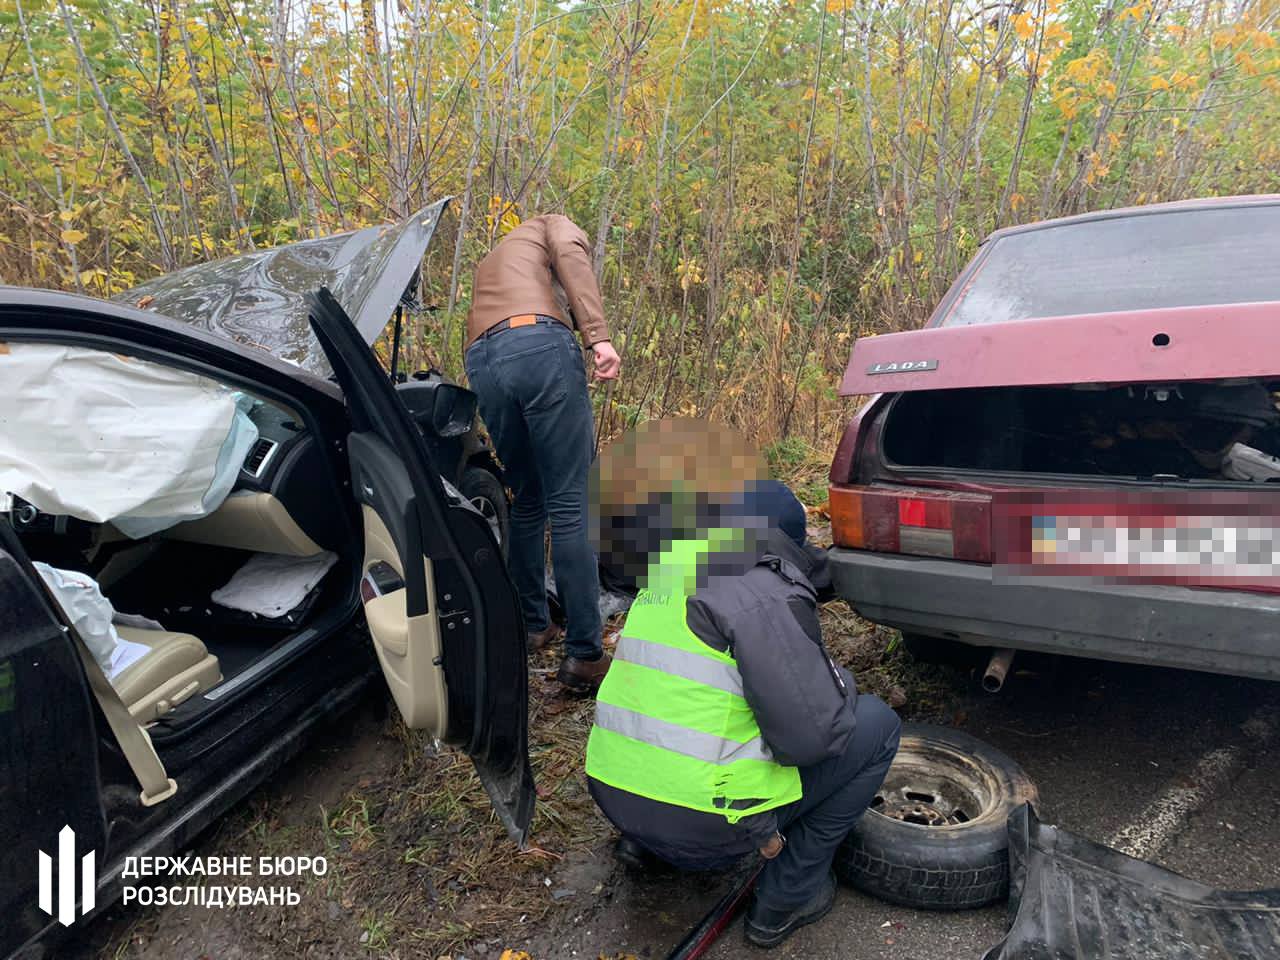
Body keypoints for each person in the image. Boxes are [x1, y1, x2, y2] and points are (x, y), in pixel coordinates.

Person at [584, 494, 901, 949]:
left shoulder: (671, 570)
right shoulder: (763, 592)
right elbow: (813, 739)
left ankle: (646, 848)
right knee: (877, 726)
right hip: (705, 824)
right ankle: (785, 900)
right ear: (785, 544)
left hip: (613, 794)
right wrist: (840, 685)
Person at [464, 213, 621, 691]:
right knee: (572, 504)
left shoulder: (494, 257)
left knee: (528, 498)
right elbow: (572, 256)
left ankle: (535, 625)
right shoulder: (553, 223)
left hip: (482, 360)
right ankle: (585, 656)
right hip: (538, 346)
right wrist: (598, 336)